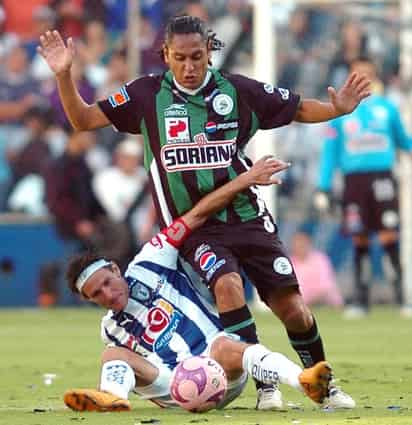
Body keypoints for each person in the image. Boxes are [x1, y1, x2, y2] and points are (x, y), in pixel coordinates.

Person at [38, 15, 370, 409]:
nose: (190, 67)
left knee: (293, 310)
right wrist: (64, 75)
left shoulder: (235, 90)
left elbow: (297, 109)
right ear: (166, 55)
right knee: (227, 285)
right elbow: (83, 119)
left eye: (197, 57)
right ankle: (267, 386)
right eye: (180, 58)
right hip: (194, 227)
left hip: (245, 215)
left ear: (209, 52)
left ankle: (326, 386)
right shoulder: (147, 95)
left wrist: (338, 110)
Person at [63, 157, 333, 413]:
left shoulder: (150, 260)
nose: (107, 294)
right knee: (111, 354)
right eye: (96, 294)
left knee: (226, 347)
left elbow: (194, 216)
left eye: (107, 283)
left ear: (114, 268)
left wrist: (244, 180)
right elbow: (144, 377)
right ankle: (112, 397)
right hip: (173, 384)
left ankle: (303, 380)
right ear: (89, 300)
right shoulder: (110, 329)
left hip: (219, 367)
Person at [315, 57, 412, 318]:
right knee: (359, 237)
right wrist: (323, 187)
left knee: (389, 235)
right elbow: (330, 153)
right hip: (353, 182)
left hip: (382, 179)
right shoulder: (340, 112)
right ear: (350, 77)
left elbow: (404, 141)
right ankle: (360, 298)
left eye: (368, 73)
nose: (364, 78)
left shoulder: (387, 109)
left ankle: (403, 298)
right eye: (358, 73)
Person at [290, 226, 343, 308]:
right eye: (296, 242)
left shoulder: (320, 260)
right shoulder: (288, 263)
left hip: (322, 303)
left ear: (308, 242)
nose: (299, 245)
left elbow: (324, 288)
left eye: (302, 242)